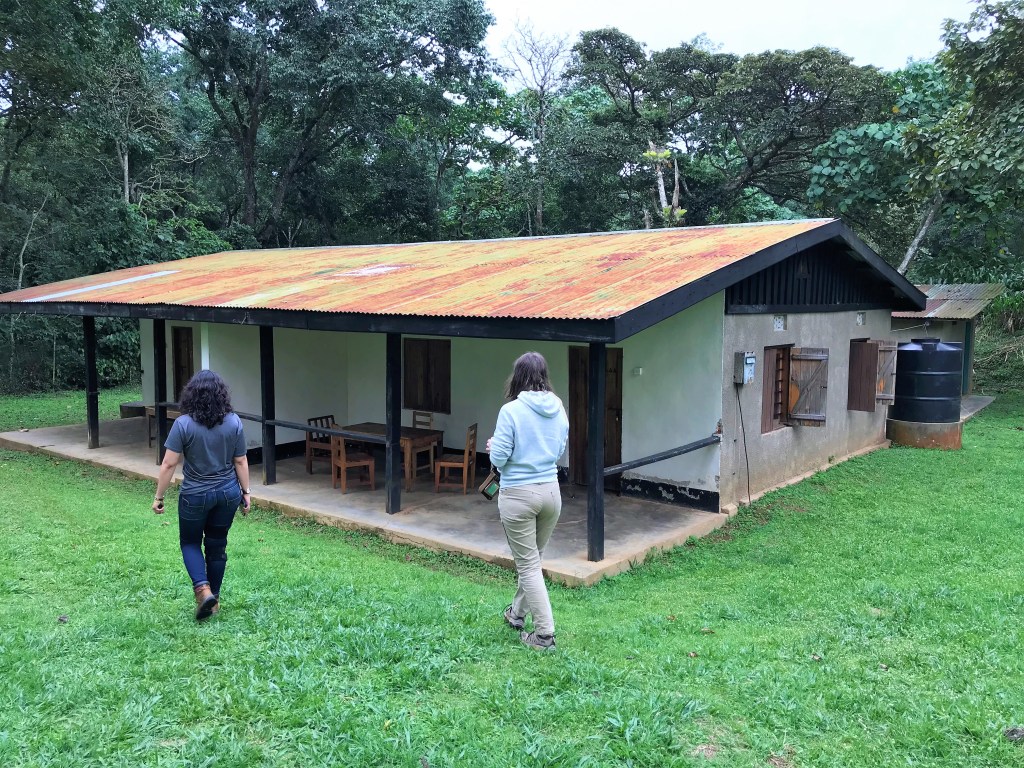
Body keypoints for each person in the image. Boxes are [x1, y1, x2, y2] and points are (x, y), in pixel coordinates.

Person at [152, 369, 251, 621]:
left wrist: (159, 497)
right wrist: (247, 492)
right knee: (217, 545)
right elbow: (240, 461)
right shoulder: (234, 422)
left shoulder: (183, 424)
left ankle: (203, 590)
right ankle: (213, 599)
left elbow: (168, 464)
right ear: (222, 395)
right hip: (228, 494)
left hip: (195, 495)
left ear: (191, 395)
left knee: (190, 542)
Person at [486, 352, 569, 650]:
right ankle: (516, 614)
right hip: (551, 492)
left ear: (517, 376)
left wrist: (494, 447)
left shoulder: (511, 411)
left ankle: (544, 635)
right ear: (544, 376)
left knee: (528, 566)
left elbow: (499, 458)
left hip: (518, 495)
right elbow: (558, 449)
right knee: (533, 559)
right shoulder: (558, 407)